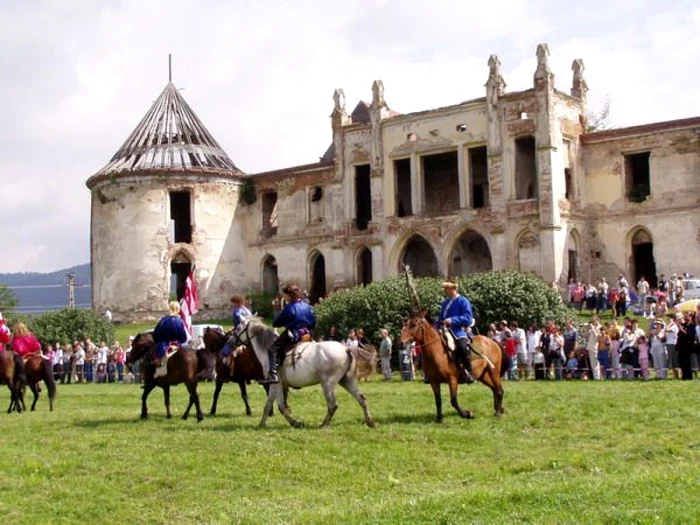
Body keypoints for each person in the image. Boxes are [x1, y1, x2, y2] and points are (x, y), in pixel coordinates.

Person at [260, 284, 316, 384]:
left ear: (289, 295)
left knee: (272, 349)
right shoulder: (307, 306)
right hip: (307, 334)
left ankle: (273, 375)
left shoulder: (289, 308)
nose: (284, 297)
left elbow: (276, 323)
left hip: (293, 334)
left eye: (285, 295)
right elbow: (313, 321)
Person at [435, 280, 475, 384]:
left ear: (453, 288)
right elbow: (440, 318)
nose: (445, 290)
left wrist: (452, 320)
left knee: (462, 346)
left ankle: (469, 372)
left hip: (458, 330)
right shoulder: (445, 302)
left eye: (447, 288)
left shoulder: (463, 301)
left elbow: (467, 318)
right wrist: (435, 326)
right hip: (443, 330)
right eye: (445, 288)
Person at [152, 301, 189, 372]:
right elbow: (184, 337)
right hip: (176, 345)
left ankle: (157, 372)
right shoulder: (180, 321)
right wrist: (178, 343)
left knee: (155, 360)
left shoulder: (164, 320)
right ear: (178, 309)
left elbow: (156, 333)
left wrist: (156, 340)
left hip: (164, 345)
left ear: (170, 308)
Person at [221, 294, 253, 363]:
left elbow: (239, 320)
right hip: (248, 329)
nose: (232, 304)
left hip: (240, 330)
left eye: (233, 302)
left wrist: (235, 328)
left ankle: (225, 356)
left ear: (237, 302)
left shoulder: (236, 310)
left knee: (230, 341)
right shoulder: (246, 310)